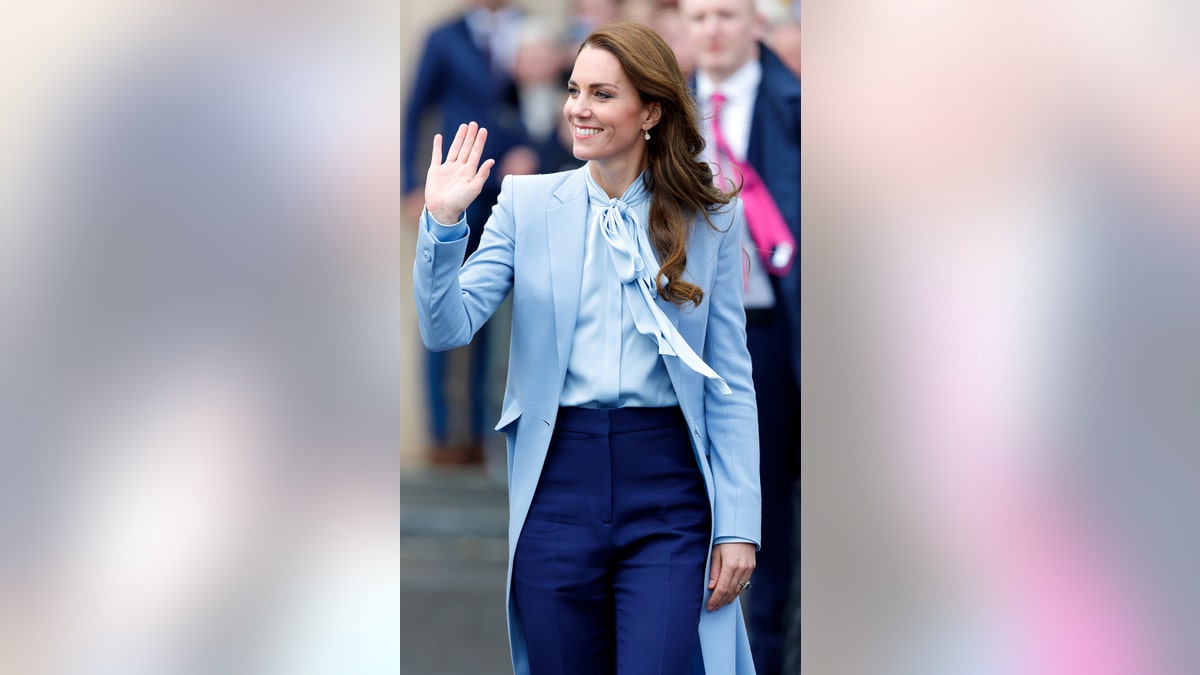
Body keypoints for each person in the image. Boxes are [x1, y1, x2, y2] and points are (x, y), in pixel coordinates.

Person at [413, 20, 761, 675]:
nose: (577, 106)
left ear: (650, 110)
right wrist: (443, 222)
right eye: (574, 89)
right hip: (558, 481)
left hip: (667, 485)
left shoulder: (707, 214)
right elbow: (446, 326)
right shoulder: (526, 202)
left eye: (602, 94)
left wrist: (739, 523)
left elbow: (730, 382)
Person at [678, 0, 801, 672]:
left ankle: (776, 657)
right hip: (693, 337)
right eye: (699, 17)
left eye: (727, 13)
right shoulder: (664, 112)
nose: (713, 29)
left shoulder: (799, 105)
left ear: (756, 22)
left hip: (779, 332)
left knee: (770, 515)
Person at [403, 0, 528, 465]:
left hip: (514, 190)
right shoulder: (444, 36)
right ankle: (441, 434)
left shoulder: (529, 30)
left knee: (490, 309)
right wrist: (411, 184)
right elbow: (415, 111)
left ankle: (478, 435)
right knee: (439, 302)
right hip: (458, 188)